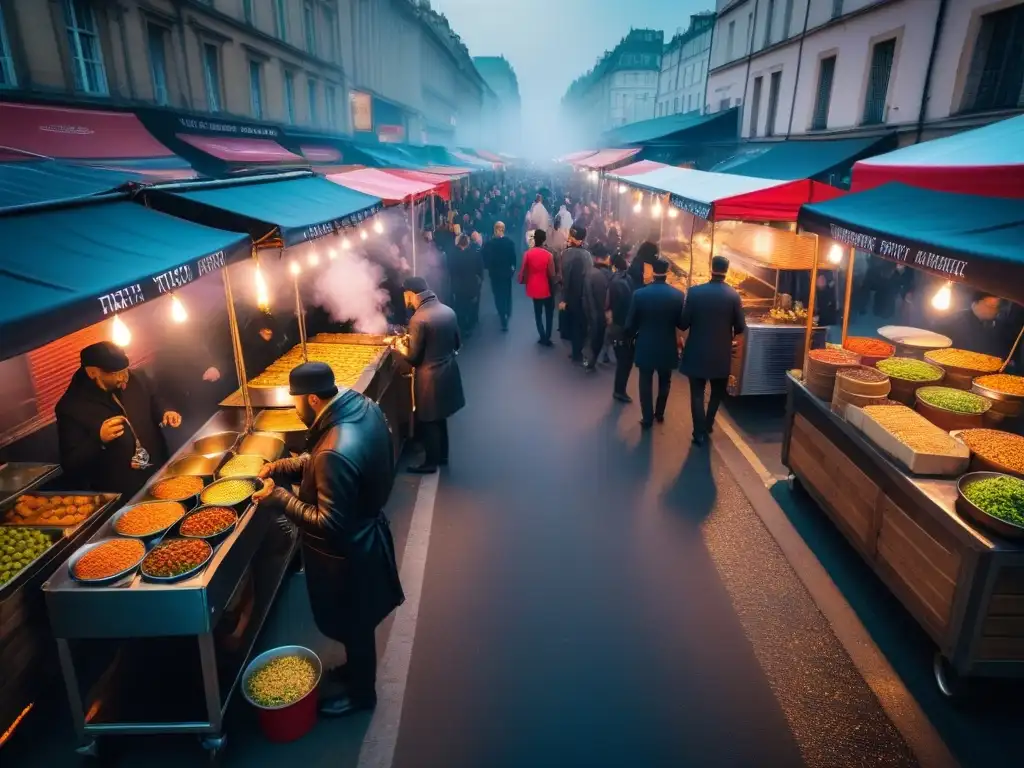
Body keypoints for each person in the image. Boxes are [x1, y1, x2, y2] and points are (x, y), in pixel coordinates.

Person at [252, 362, 404, 716]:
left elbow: (330, 521)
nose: (295, 408)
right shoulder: (359, 407)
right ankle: (356, 674)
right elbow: (329, 463)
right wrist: (284, 467)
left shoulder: (335, 448)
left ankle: (362, 697)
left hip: (348, 555)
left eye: (295, 402)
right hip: (366, 538)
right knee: (359, 623)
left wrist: (280, 498)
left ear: (312, 400)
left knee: (356, 625)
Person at [55, 342, 182, 497]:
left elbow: (154, 398)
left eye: (125, 371)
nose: (124, 378)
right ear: (93, 372)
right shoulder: (71, 407)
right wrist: (99, 440)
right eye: (116, 373)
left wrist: (165, 411)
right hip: (124, 491)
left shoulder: (136, 378)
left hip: (160, 470)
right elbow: (70, 463)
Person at [399, 276, 466, 473]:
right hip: (448, 372)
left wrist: (401, 347)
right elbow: (457, 344)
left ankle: (430, 463)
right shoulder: (448, 311)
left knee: (428, 421)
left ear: (410, 294)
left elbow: (413, 358)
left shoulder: (418, 319)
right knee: (441, 418)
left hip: (429, 379)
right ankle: (443, 456)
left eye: (405, 296)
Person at [679, 255, 746, 446]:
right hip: (721, 354)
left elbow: (684, 323)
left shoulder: (694, 293)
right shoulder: (733, 296)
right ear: (726, 270)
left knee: (697, 393)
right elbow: (740, 326)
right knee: (717, 393)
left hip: (697, 352)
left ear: (711, 268)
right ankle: (708, 424)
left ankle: (698, 432)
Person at [626, 258, 686, 429]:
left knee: (645, 381)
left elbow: (630, 324)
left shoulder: (639, 294)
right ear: (667, 273)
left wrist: (630, 338)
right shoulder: (678, 295)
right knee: (665, 381)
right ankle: (659, 413)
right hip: (667, 346)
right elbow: (682, 324)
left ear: (652, 272)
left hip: (645, 344)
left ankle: (647, 418)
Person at [560, 225, 593, 364]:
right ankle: (577, 352)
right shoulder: (586, 255)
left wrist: (563, 298)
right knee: (581, 324)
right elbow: (589, 276)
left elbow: (564, 277)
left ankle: (575, 351)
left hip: (570, 295)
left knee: (574, 323)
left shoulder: (566, 254)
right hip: (582, 295)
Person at [607, 253, 637, 402]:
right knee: (625, 360)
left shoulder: (616, 279)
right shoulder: (623, 281)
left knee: (623, 360)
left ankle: (619, 389)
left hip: (618, 326)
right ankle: (619, 391)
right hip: (621, 327)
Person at [519, 228, 556, 345]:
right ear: (544, 240)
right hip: (546, 287)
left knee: (538, 313)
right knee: (549, 314)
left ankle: (542, 335)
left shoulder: (527, 254)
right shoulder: (549, 255)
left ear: (534, 239)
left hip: (533, 286)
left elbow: (523, 270)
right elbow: (552, 273)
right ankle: (548, 336)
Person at [482, 221, 517, 331]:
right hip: (506, 273)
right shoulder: (509, 242)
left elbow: (485, 259)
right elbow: (513, 258)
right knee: (507, 292)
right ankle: (508, 309)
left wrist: (488, 268)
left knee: (498, 294)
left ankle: (502, 315)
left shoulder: (489, 244)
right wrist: (513, 268)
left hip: (495, 274)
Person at [582, 243, 613, 373]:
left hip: (589, 309)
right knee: (597, 337)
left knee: (592, 334)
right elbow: (605, 297)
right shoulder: (604, 275)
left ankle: (588, 359)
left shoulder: (590, 272)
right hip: (599, 312)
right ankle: (591, 360)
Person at [448, 233, 484, 336]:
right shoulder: (474, 254)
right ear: (467, 243)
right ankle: (470, 325)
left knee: (459, 305)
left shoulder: (453, 256)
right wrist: (480, 279)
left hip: (458, 286)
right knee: (470, 305)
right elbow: (479, 269)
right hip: (471, 285)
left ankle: (461, 326)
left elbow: (450, 270)